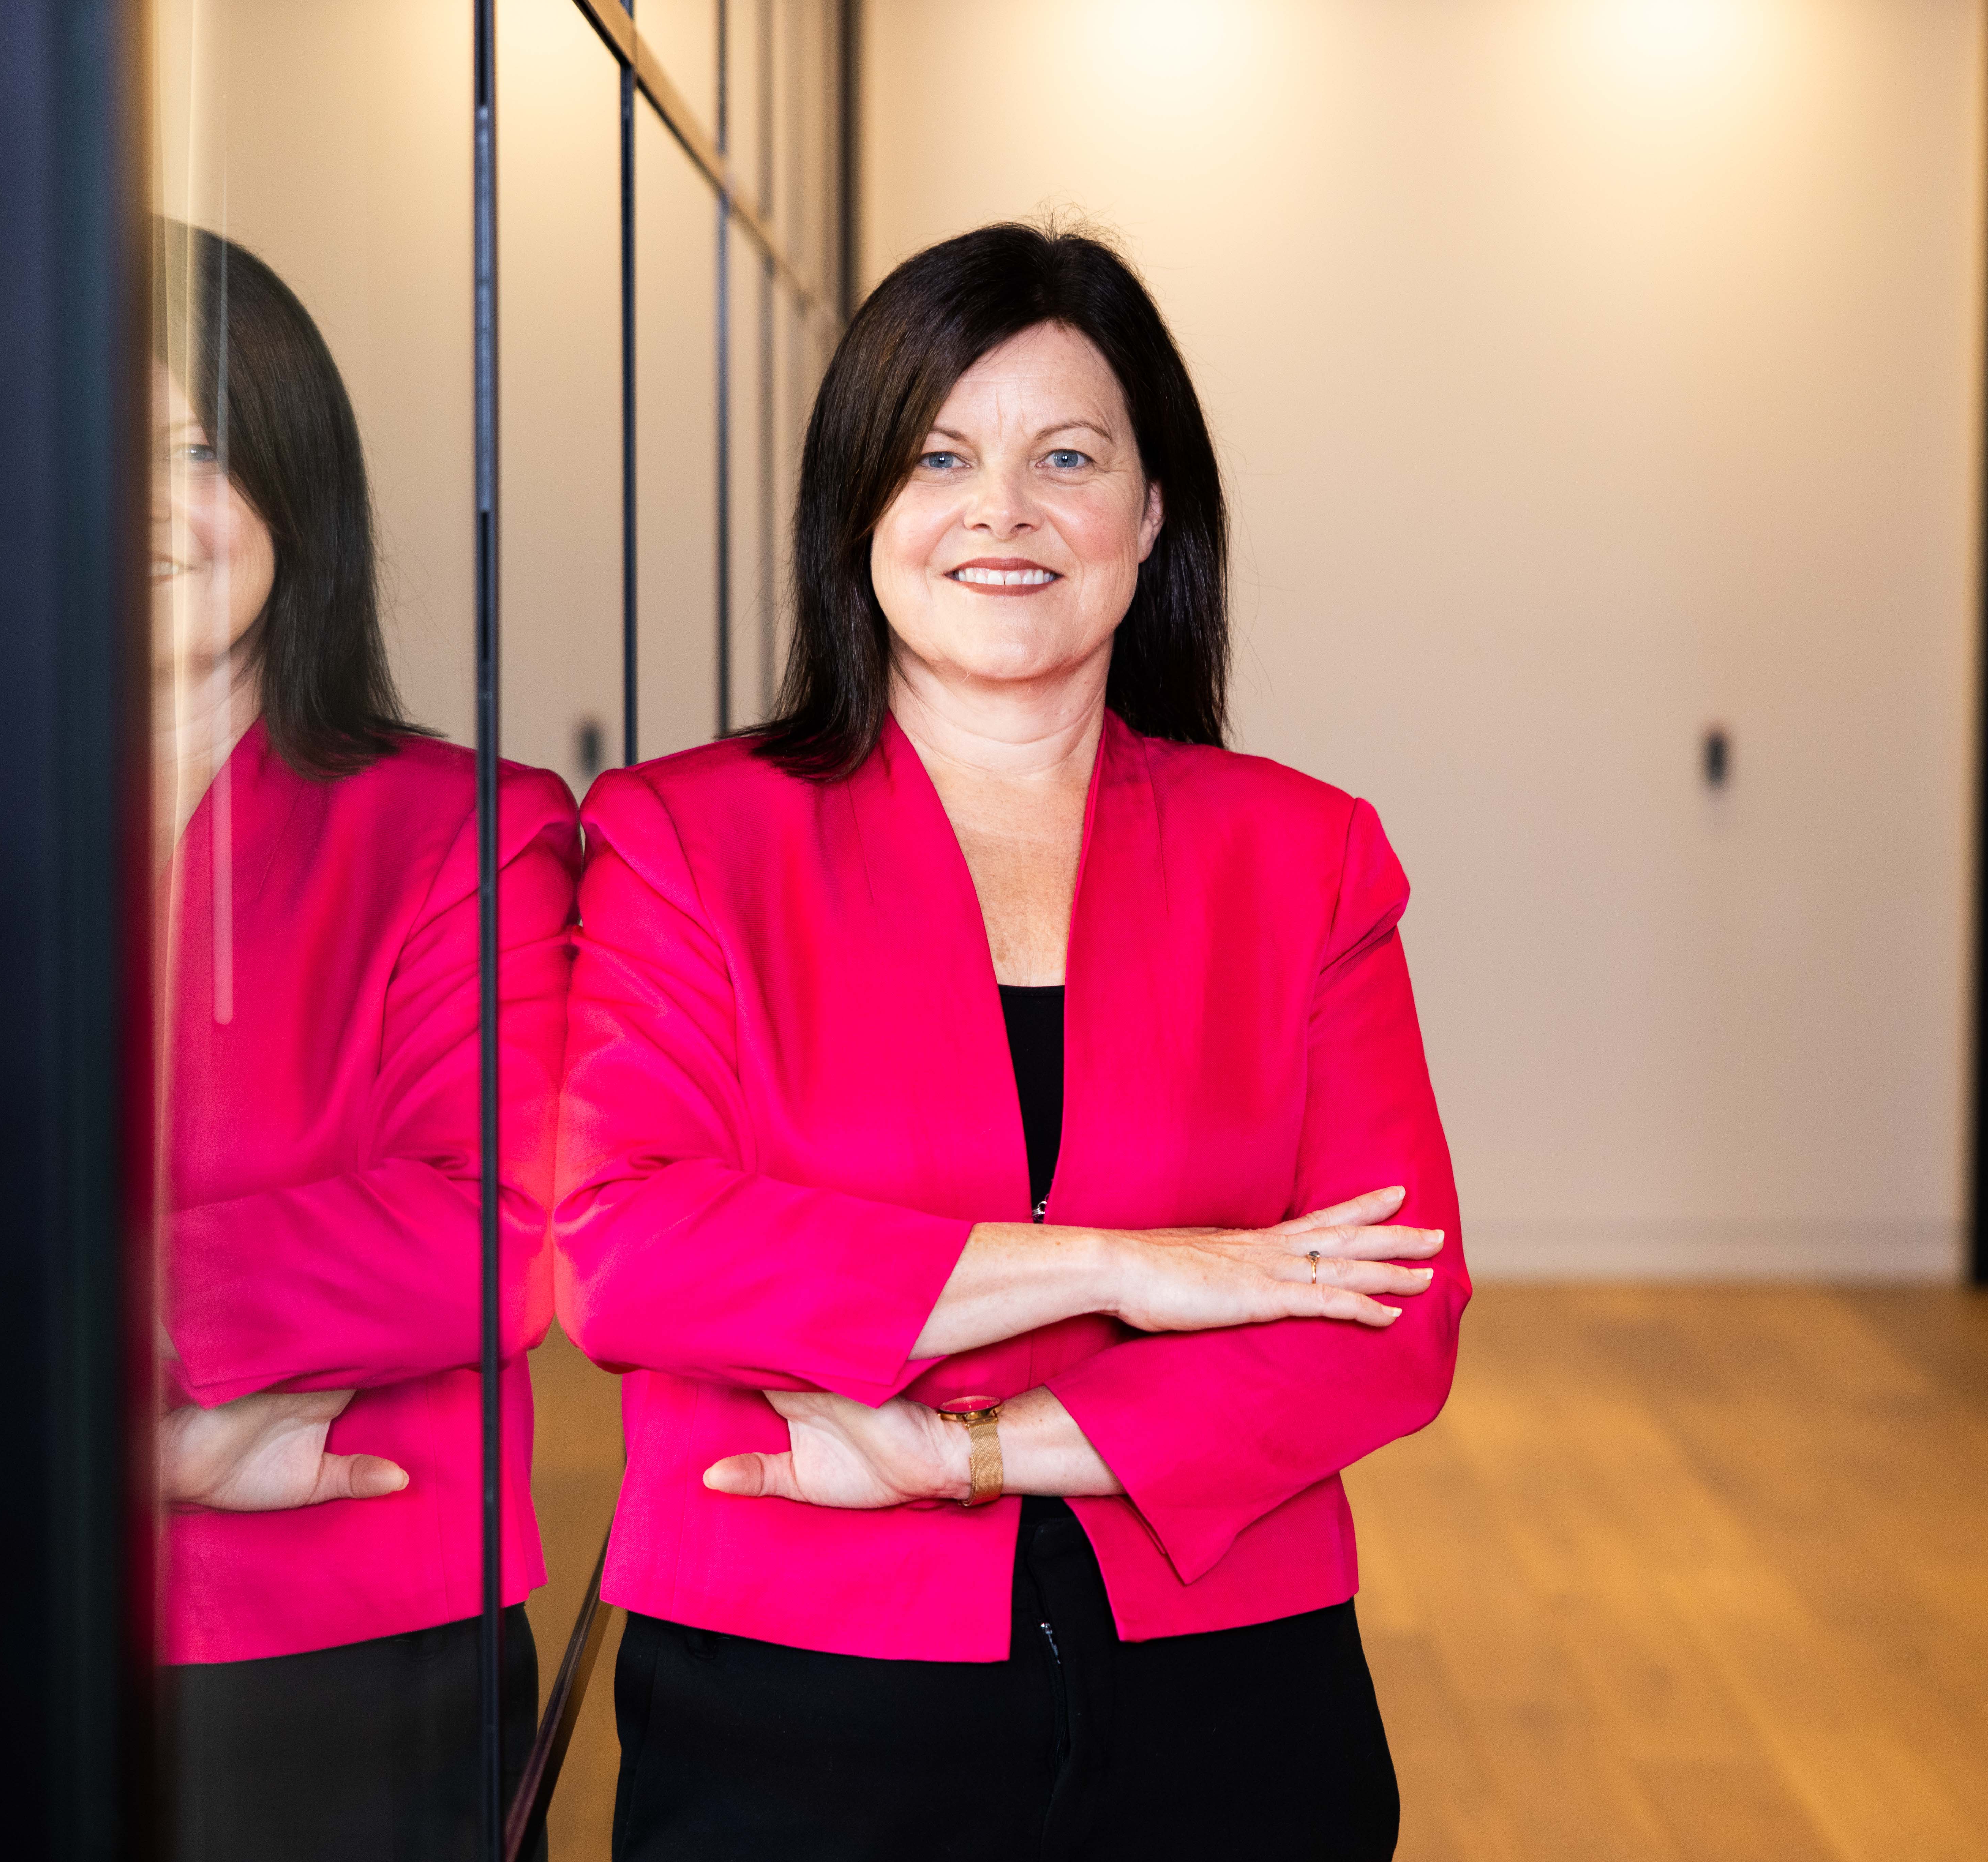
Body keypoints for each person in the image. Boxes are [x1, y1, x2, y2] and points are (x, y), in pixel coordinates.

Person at [559, 222, 1467, 1860]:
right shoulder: (679, 840)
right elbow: (631, 1254)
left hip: (1225, 1680)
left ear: (1149, 514)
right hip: (793, 1688)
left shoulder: (1305, 853)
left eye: (1067, 456)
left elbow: (1389, 1317)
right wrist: (1130, 1267)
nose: (1003, 509)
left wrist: (972, 1452)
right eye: (938, 455)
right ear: (857, 513)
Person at [147, 222, 576, 1862]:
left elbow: (486, 1238)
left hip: (342, 1659)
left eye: (194, 446)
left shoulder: (460, 833)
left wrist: (20, 1319)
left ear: (292, 483)